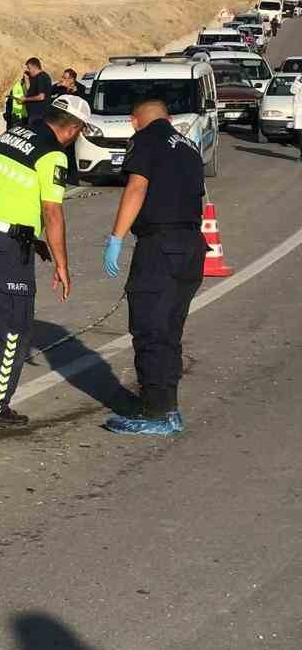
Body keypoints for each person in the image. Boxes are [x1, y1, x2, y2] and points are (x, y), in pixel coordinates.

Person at [0, 92, 89, 428]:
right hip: (5, 248)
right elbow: (52, 211)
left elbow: (8, 193)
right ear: (73, 129)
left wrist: (31, 238)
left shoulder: (11, 135)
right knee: (12, 328)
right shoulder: (53, 154)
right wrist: (62, 264)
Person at [100, 92, 208, 434]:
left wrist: (116, 237)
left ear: (135, 121)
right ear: (169, 119)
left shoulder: (145, 139)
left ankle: (155, 413)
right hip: (192, 246)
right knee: (170, 330)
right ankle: (167, 406)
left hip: (160, 246)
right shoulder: (189, 146)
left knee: (150, 329)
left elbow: (137, 187)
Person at [22, 57, 54, 126]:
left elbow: (41, 97)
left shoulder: (42, 77)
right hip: (33, 114)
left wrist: (26, 99)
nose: (28, 70)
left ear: (34, 67)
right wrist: (27, 80)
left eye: (29, 68)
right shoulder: (34, 77)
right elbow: (30, 92)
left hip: (39, 115)